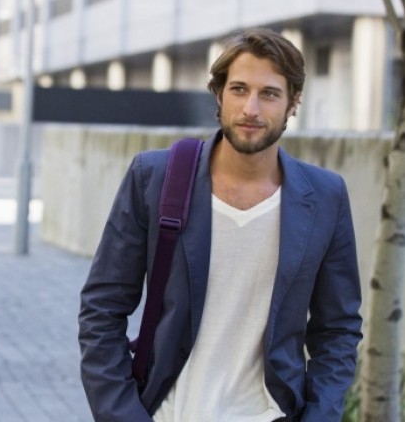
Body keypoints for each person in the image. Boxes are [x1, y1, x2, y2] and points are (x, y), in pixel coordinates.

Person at [79, 28, 362, 422]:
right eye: (239, 89)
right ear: (219, 94)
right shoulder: (155, 178)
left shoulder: (325, 197)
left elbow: (338, 328)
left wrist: (319, 414)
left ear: (293, 102)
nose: (251, 109)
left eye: (269, 94)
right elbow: (102, 309)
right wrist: (122, 414)